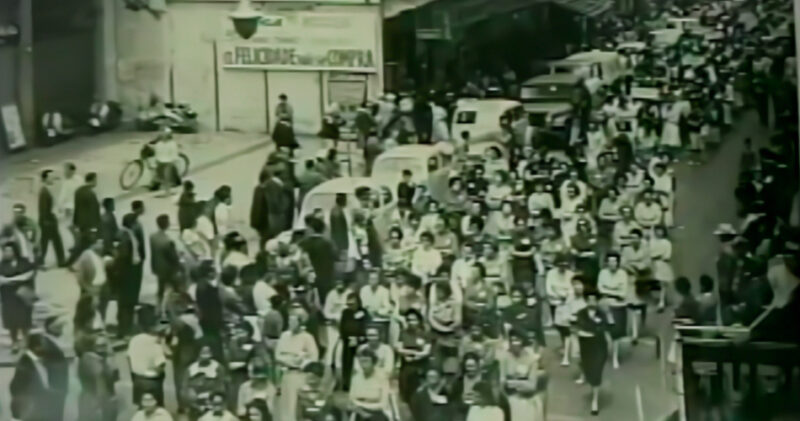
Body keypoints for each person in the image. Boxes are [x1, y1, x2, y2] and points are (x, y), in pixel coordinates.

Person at [275, 309, 319, 421]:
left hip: (300, 375)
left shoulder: (307, 337)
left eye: (293, 321)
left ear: (300, 322)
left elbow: (313, 358)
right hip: (284, 374)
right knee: (284, 407)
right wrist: (292, 359)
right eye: (289, 321)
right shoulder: (284, 336)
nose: (291, 324)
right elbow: (277, 355)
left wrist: (300, 360)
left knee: (296, 407)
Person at [575, 290, 612, 415]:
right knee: (590, 372)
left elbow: (604, 328)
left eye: (594, 300)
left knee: (597, 372)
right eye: (589, 300)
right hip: (586, 348)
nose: (592, 302)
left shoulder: (602, 314)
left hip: (599, 347)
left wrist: (591, 331)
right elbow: (579, 328)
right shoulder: (581, 313)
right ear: (586, 301)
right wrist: (592, 331)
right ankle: (591, 386)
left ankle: (595, 401)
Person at [500, 330, 545, 421]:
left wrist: (512, 383)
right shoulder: (504, 358)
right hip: (509, 398)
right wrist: (522, 383)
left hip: (527, 399)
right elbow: (502, 381)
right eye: (512, 340)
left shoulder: (531, 358)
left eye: (517, 340)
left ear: (522, 341)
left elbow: (531, 386)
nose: (514, 343)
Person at [0, 241, 37, 352]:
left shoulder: (24, 263)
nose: (7, 253)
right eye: (5, 251)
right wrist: (18, 279)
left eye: (9, 250)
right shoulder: (2, 265)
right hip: (9, 298)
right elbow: (1, 281)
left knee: (25, 321)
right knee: (12, 323)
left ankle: (26, 342)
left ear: (15, 251)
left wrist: (9, 280)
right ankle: (14, 342)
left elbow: (29, 275)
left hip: (23, 297)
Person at [9, 334, 55, 421]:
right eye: (44, 346)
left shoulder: (34, 361)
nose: (46, 349)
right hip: (27, 409)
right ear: (36, 347)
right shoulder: (25, 364)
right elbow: (17, 387)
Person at [127, 305, 167, 406]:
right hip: (152, 382)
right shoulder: (155, 342)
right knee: (156, 409)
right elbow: (160, 364)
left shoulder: (133, 340)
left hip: (138, 380)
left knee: (142, 408)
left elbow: (128, 359)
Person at [597, 252, 628, 369]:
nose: (612, 264)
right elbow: (600, 289)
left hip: (619, 306)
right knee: (603, 331)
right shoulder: (603, 273)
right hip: (605, 305)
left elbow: (623, 294)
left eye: (614, 261)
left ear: (618, 263)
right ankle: (604, 354)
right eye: (609, 261)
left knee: (616, 334)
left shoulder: (623, 274)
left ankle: (615, 357)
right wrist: (615, 292)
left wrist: (608, 292)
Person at [77, 333, 118, 421]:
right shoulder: (93, 361)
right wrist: (104, 403)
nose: (104, 349)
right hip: (97, 401)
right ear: (92, 346)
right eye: (100, 346)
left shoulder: (94, 359)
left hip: (93, 400)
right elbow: (100, 385)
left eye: (105, 345)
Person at [117, 213, 143, 338]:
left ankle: (127, 327)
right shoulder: (124, 237)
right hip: (127, 274)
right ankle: (124, 330)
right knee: (126, 304)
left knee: (129, 302)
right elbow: (122, 259)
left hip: (132, 271)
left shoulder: (129, 234)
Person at [298, 216, 337, 300]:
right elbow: (336, 258)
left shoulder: (304, 244)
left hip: (310, 281)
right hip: (328, 280)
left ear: (311, 229)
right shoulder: (329, 244)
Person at [68, 172, 101, 265]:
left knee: (83, 245)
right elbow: (94, 211)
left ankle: (73, 262)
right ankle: (73, 263)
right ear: (93, 180)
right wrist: (96, 226)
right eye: (96, 180)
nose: (96, 182)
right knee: (84, 245)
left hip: (80, 223)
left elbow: (77, 208)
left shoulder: (78, 191)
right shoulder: (91, 194)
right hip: (89, 225)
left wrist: (75, 222)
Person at [349, 349, 392, 421]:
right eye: (361, 361)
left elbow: (383, 405)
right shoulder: (355, 378)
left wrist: (361, 405)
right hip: (359, 413)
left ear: (373, 362)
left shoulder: (382, 378)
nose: (363, 365)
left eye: (366, 361)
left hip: (376, 414)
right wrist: (360, 409)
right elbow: (352, 400)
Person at [338, 293, 369, 390]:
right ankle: (346, 384)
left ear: (358, 303)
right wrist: (346, 338)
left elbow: (366, 328)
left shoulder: (364, 312)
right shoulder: (345, 312)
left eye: (352, 304)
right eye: (348, 304)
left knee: (363, 362)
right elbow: (342, 327)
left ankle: (364, 384)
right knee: (346, 363)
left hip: (361, 342)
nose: (350, 306)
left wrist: (358, 339)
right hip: (348, 341)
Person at [41, 316, 70, 421]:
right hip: (54, 385)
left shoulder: (52, 341)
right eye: (59, 327)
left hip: (58, 384)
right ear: (51, 328)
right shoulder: (46, 343)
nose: (61, 330)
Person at [37, 169, 65, 267]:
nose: (53, 178)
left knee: (46, 242)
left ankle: (41, 261)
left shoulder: (46, 190)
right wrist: (47, 222)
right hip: (48, 221)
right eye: (50, 177)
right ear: (45, 179)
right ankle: (61, 261)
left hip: (48, 220)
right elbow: (43, 209)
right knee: (54, 242)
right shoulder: (44, 192)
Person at [150, 214, 181, 303]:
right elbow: (173, 258)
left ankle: (159, 305)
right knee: (176, 287)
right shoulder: (168, 241)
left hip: (158, 267)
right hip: (169, 269)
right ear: (167, 224)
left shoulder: (153, 237)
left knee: (161, 287)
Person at [153, 129, 180, 196]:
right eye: (162, 134)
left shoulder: (172, 144)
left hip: (168, 162)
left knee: (167, 177)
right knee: (161, 177)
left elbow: (174, 154)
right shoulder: (159, 144)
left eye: (165, 134)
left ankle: (167, 192)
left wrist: (172, 162)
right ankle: (166, 190)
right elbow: (157, 153)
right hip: (160, 162)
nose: (163, 136)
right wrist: (156, 161)